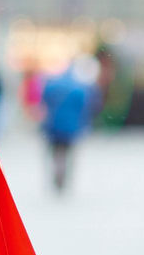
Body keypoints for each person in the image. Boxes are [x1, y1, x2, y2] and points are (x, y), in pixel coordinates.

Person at [40, 58, 99, 193]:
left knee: (56, 151)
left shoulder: (53, 84)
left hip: (54, 124)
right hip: (71, 126)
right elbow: (85, 107)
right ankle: (65, 176)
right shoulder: (79, 87)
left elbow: (45, 100)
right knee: (69, 152)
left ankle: (57, 172)